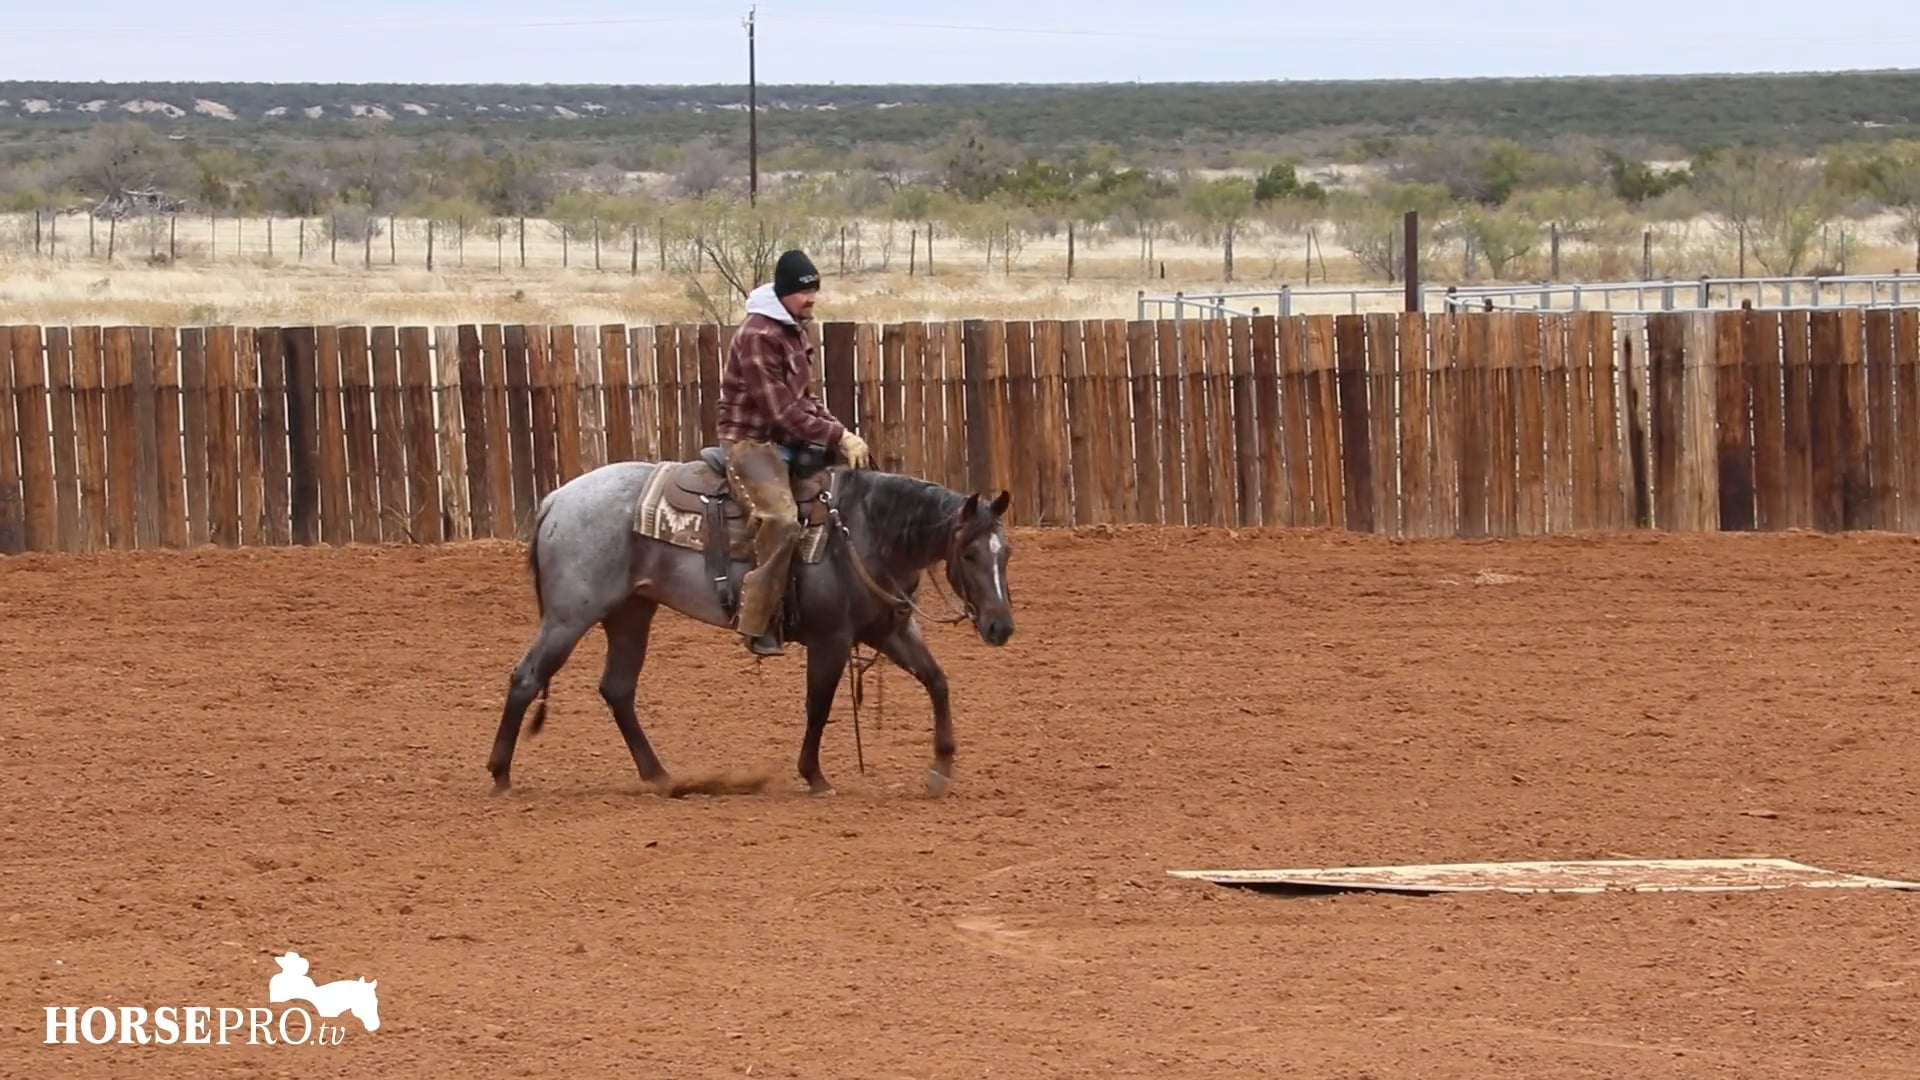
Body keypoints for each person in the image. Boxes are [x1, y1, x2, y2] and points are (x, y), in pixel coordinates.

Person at [716, 249, 871, 656]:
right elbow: (780, 411)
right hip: (752, 441)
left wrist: (840, 433)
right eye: (805, 292)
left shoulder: (793, 328)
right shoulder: (757, 336)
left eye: (815, 290)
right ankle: (758, 621)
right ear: (784, 293)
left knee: (853, 488)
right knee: (781, 520)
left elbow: (805, 399)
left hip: (788, 436)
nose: (812, 298)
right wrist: (837, 435)